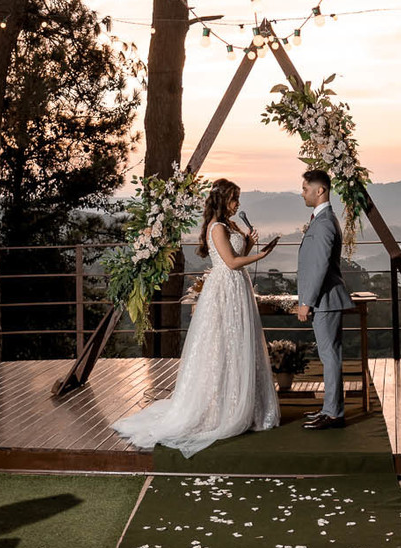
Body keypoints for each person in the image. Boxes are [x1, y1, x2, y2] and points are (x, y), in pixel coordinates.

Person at [114, 179, 281, 457]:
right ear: (222, 200)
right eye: (234, 198)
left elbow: (236, 255)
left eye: (238, 198)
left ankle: (243, 404)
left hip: (237, 288)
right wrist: (261, 255)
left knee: (238, 344)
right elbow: (230, 263)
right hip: (225, 289)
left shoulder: (229, 225)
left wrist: (250, 244)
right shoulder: (217, 228)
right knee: (223, 344)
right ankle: (221, 408)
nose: (237, 203)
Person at [295, 168, 355, 430]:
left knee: (330, 357)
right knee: (329, 356)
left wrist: (306, 302)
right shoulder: (322, 220)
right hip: (325, 300)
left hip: (325, 300)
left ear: (320, 191)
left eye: (305, 189)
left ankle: (333, 414)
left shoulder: (325, 223)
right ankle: (330, 409)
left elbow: (319, 266)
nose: (302, 193)